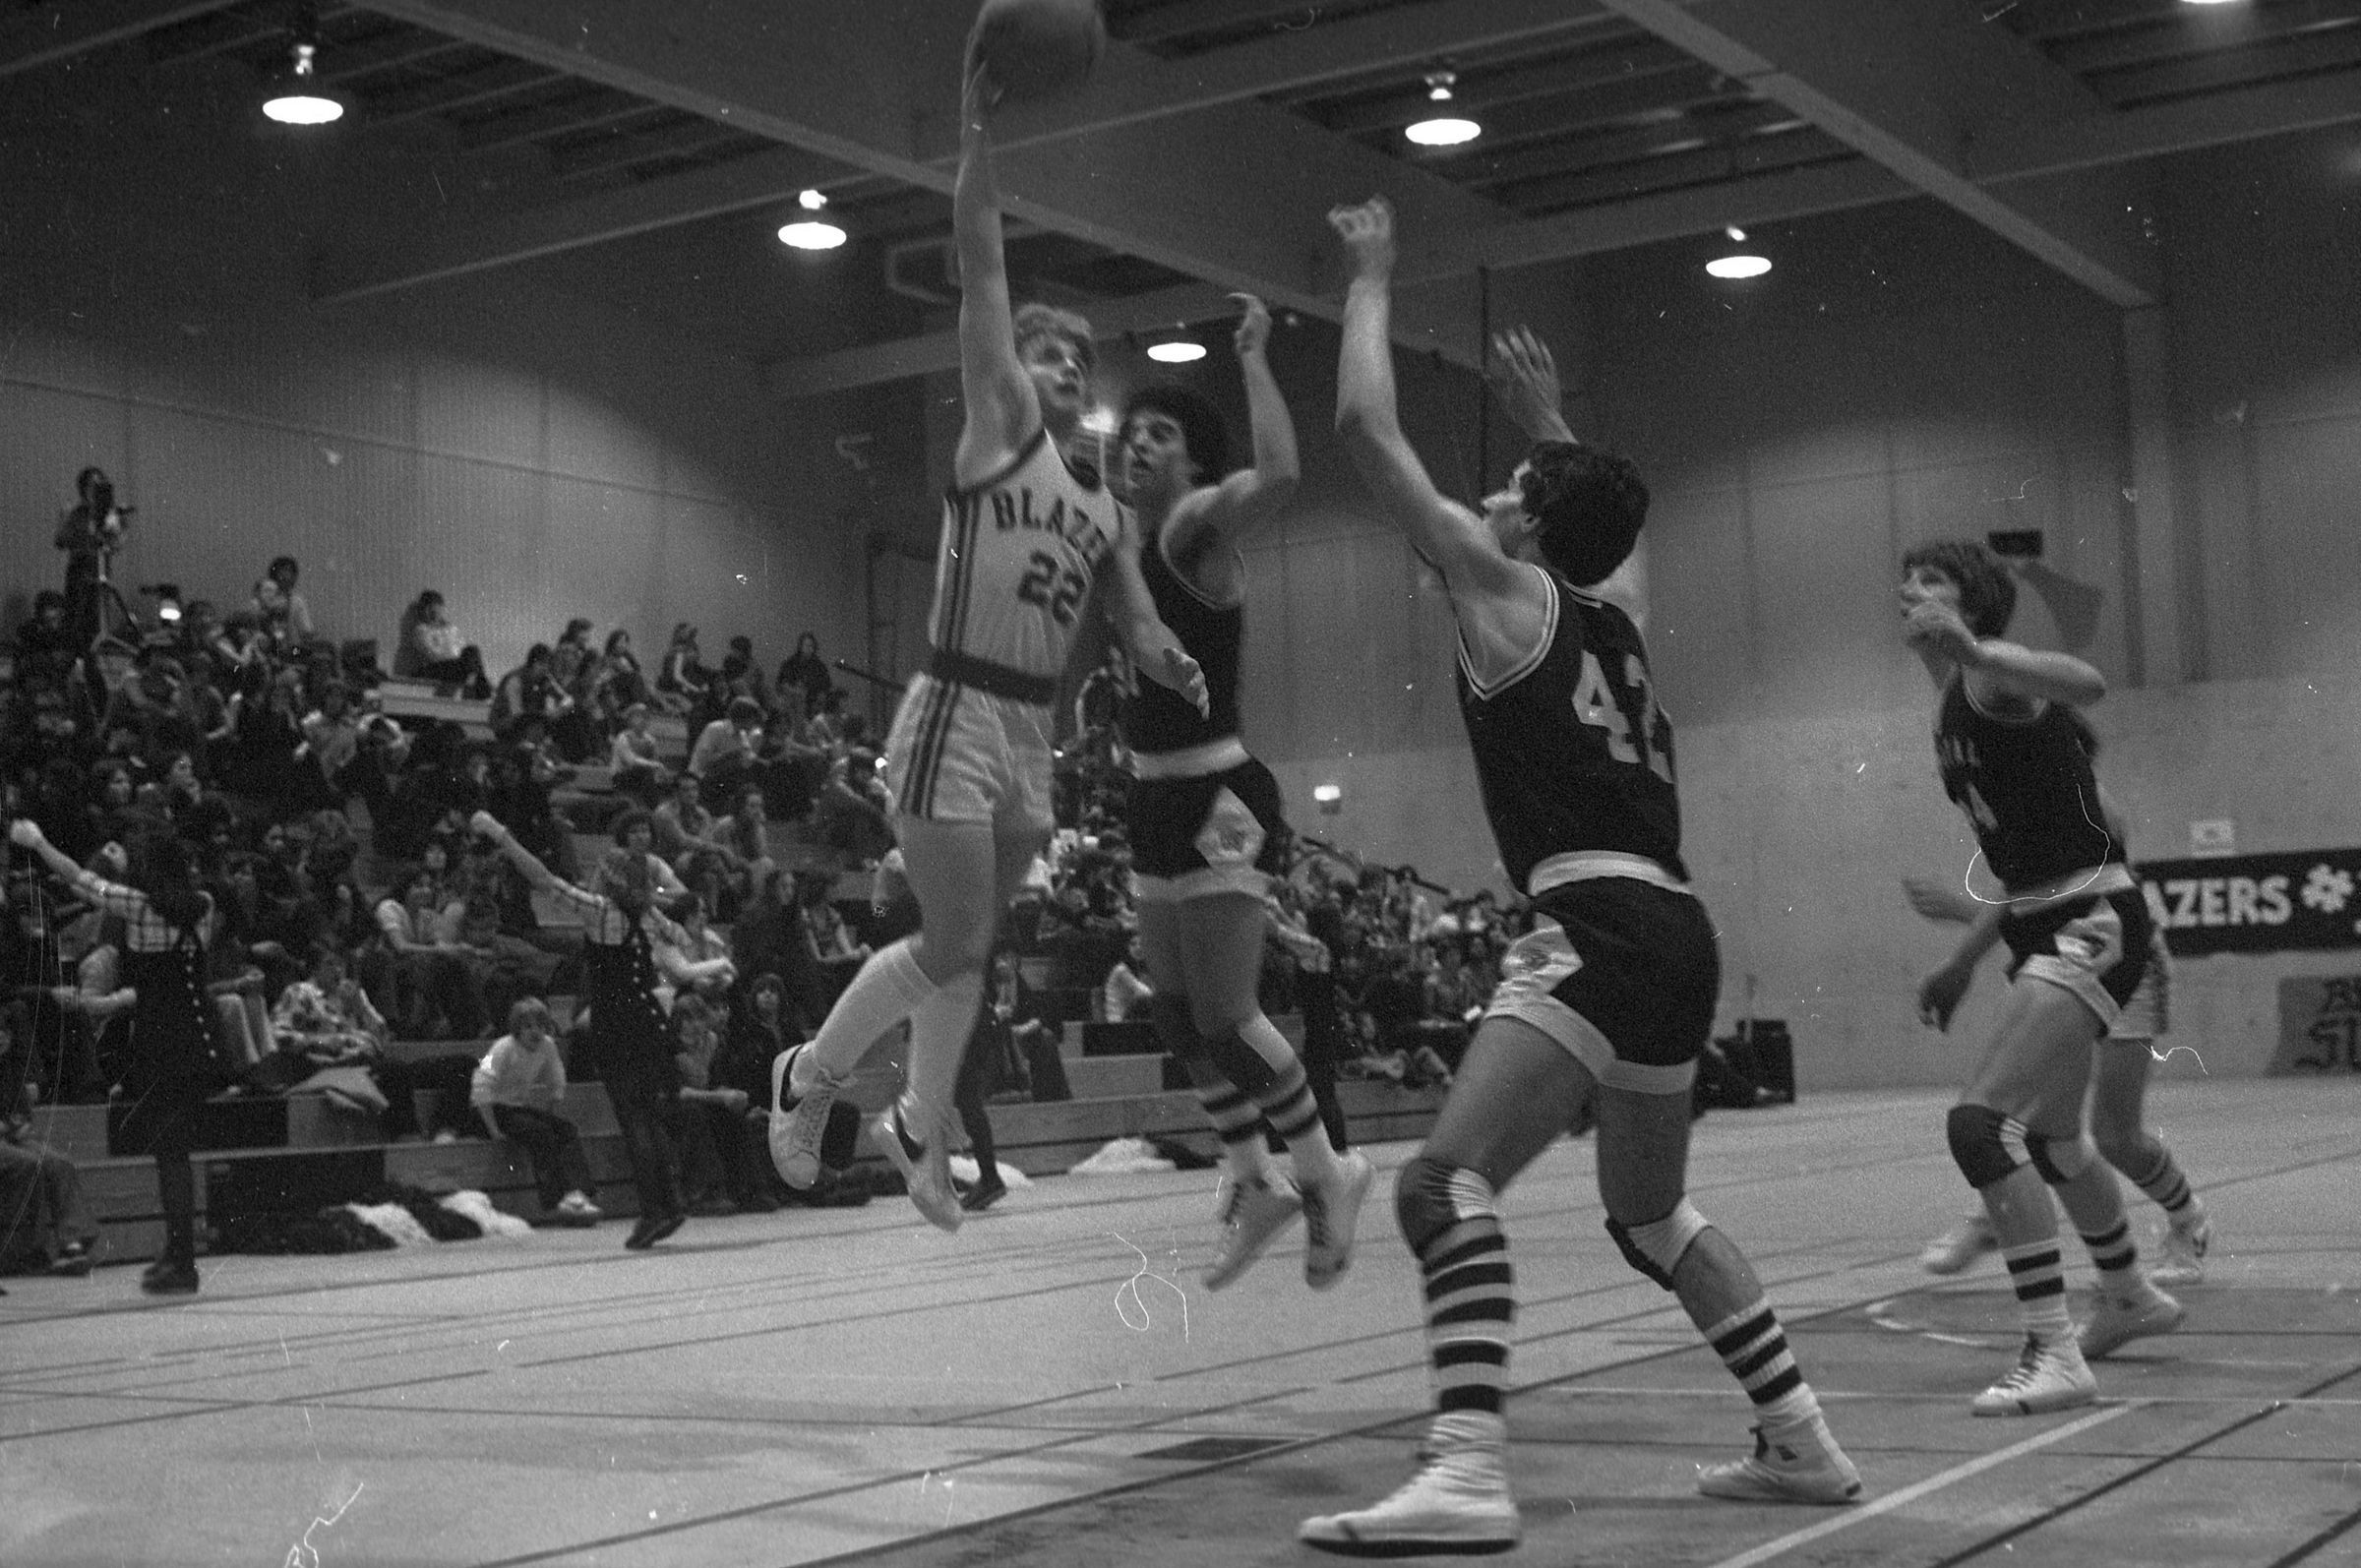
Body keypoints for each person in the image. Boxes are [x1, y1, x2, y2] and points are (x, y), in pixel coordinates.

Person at [1296, 200, 1862, 1557]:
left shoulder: (1506, 592)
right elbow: (1605, 524)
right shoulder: (1618, 618)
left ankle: (1465, 1470)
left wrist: (1373, 274)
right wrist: (1551, 425)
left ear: (1533, 522)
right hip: (1676, 924)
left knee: (1440, 1187)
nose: (1489, 497)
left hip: (1595, 919)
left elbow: (1365, 430)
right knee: (1650, 1210)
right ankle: (1803, 1440)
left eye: (1512, 489)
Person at [764, 57, 1207, 1231]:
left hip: (1030, 732)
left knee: (976, 945)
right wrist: (974, 134)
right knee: (954, 934)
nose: (1063, 368)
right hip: (954, 706)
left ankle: (921, 1122)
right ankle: (810, 1075)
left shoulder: (1105, 504)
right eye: (1047, 353)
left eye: (1078, 361)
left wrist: (1165, 656)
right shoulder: (999, 432)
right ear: (1018, 367)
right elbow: (983, 261)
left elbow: (1135, 616)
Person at [1112, 295, 1372, 1291]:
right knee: (1175, 1017)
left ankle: (1326, 1171)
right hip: (1150, 797)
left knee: (1225, 1013)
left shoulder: (1190, 530)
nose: (1137, 442)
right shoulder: (1121, 546)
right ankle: (1252, 1176)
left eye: (1160, 433)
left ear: (1192, 465)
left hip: (1218, 790)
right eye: (1131, 431)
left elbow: (1285, 474)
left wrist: (1255, 358)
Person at [1897, 538, 2186, 1407]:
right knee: (2057, 1139)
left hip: (2091, 919)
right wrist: (1961, 960)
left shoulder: (1993, 674)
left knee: (1979, 1127)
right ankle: (2129, 1293)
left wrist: (1980, 649)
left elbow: (2087, 682)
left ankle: (2053, 1352)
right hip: (2042, 918)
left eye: (1932, 580)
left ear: (1973, 603)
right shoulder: (1953, 695)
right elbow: (2020, 873)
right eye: (1907, 580)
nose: (1910, 589)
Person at [1911, 876, 2211, 1286]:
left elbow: (2056, 890)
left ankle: (2189, 1221)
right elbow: (2029, 900)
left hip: (2123, 953)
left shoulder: (2079, 845)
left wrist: (1962, 936)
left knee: (2115, 1137)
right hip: (2054, 958)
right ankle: (1993, 1216)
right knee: (2028, 1114)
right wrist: (1965, 938)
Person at [8, 821, 223, 1296]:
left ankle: (182, 1261)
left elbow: (81, 880)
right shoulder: (205, 906)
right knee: (178, 1153)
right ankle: (177, 1253)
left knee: (170, 1155)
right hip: (200, 1040)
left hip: (161, 1043)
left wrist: (39, 842)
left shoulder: (140, 907)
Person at [475, 811, 692, 1250]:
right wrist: (654, 903)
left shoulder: (601, 912)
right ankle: (671, 1201)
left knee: (632, 1118)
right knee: (649, 1115)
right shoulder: (647, 916)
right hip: (649, 1019)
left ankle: (654, 1210)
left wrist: (501, 834)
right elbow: (681, 938)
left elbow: (544, 879)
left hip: (616, 1023)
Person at [471, 997, 603, 1227]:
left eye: (541, 1026)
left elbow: (556, 1079)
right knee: (540, 1132)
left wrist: (549, 1112)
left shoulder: (548, 1046)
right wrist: (493, 1130)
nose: (536, 1032)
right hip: (489, 1110)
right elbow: (480, 1084)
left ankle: (579, 1193)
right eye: (528, 1026)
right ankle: (557, 1200)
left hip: (517, 1108)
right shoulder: (501, 1047)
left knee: (566, 1129)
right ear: (517, 1029)